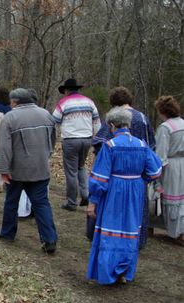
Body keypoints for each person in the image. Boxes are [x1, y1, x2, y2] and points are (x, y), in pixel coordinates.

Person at [86, 107, 161, 285]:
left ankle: (108, 272)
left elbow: (100, 178)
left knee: (111, 229)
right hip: (135, 191)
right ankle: (123, 272)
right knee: (129, 229)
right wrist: (138, 178)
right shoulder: (142, 145)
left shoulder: (111, 145)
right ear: (127, 124)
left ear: (112, 125)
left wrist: (93, 202)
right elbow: (156, 171)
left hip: (114, 191)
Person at [91, 87, 156, 249]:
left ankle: (111, 242)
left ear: (113, 102)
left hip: (115, 175)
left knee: (113, 211)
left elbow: (101, 145)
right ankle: (137, 240)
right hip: (138, 176)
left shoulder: (114, 117)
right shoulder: (142, 117)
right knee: (136, 209)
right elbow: (151, 146)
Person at [0, 88, 58, 253]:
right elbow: (53, 139)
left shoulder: (10, 117)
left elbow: (4, 147)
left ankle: (8, 232)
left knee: (11, 201)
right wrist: (46, 155)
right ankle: (49, 239)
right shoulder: (46, 114)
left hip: (17, 170)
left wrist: (3, 169)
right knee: (41, 203)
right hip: (40, 167)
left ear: (15, 101)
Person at [53, 78, 101, 211]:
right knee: (80, 166)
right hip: (87, 139)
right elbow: (97, 123)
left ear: (67, 91)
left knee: (71, 171)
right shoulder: (89, 102)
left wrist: (54, 137)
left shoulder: (63, 102)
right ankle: (85, 194)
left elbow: (54, 121)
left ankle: (71, 201)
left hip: (71, 140)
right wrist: (96, 140)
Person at [154, 96, 184, 245]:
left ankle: (176, 232)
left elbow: (161, 154)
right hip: (182, 164)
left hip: (171, 167)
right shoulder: (183, 123)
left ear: (163, 111)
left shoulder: (165, 128)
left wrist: (156, 173)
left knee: (172, 197)